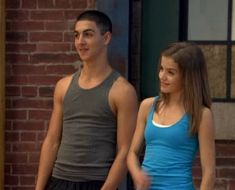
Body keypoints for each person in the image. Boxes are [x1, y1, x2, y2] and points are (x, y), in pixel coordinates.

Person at [35, 10, 138, 190]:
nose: (80, 42)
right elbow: (52, 141)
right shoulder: (63, 86)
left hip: (96, 183)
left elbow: (124, 151)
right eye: (76, 35)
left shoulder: (123, 91)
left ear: (106, 38)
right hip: (59, 180)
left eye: (88, 35)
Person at [127, 42, 216, 190]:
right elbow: (132, 153)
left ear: (188, 76)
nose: (162, 76)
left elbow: (209, 172)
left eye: (171, 72)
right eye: (161, 69)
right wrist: (137, 173)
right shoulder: (147, 106)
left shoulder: (201, 115)